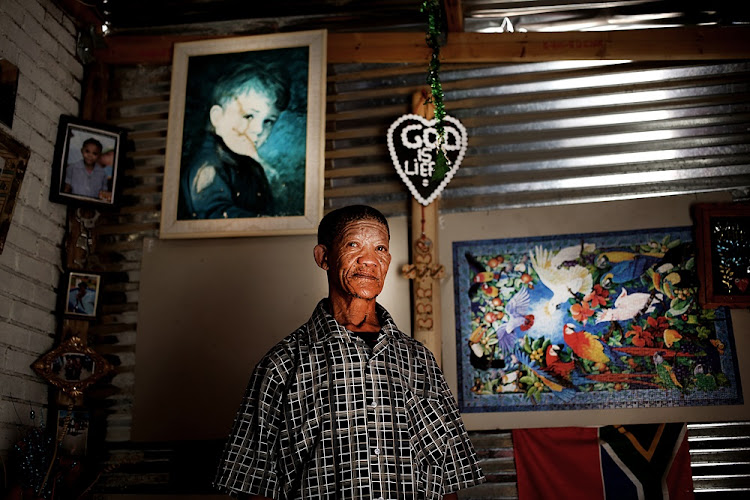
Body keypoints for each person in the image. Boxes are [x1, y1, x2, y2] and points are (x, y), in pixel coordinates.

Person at [214, 205, 485, 500]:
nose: (369, 259)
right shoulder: (281, 365)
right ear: (324, 257)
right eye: (354, 244)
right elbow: (254, 483)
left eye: (380, 248)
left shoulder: (420, 361)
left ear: (388, 260)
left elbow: (448, 478)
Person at [179, 64, 289, 220]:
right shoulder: (208, 165)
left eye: (268, 121)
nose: (258, 129)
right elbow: (213, 214)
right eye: (248, 116)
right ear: (217, 117)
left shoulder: (246, 161)